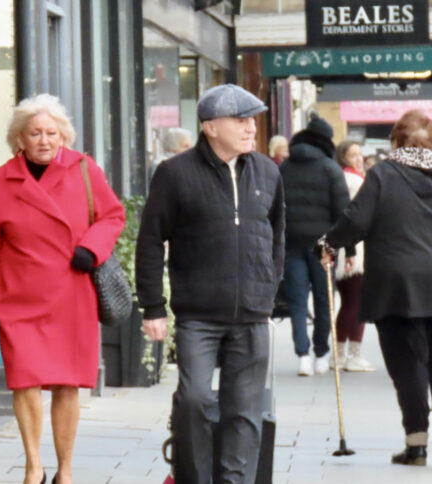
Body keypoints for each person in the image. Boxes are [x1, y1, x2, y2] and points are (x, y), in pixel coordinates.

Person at [0, 94, 125, 484]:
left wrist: (91, 248)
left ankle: (65, 470)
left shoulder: (85, 169)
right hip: (20, 296)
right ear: (19, 138)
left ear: (63, 136)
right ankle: (33, 466)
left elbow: (112, 215)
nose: (44, 140)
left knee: (68, 383)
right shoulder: (3, 179)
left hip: (72, 292)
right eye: (35, 133)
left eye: (52, 133)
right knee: (25, 379)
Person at [317, 110, 432, 466]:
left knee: (407, 362)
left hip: (395, 284)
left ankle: (416, 444)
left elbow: (356, 221)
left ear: (396, 140)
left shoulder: (383, 174)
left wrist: (328, 243)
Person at [136, 84, 284, 484]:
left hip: (252, 314)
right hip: (198, 315)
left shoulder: (268, 172)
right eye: (240, 121)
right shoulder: (175, 174)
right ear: (210, 127)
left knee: (245, 409)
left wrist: (268, 296)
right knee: (194, 400)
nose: (250, 128)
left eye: (252, 120)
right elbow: (151, 240)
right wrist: (152, 306)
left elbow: (276, 236)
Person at [280, 116, 351, 376]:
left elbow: (275, 209)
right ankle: (321, 353)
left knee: (297, 301)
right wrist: (349, 249)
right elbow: (344, 213)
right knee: (325, 300)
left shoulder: (284, 168)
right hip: (324, 246)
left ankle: (303, 356)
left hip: (291, 244)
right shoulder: (331, 169)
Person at [332, 139, 375, 372]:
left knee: (348, 302)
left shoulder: (341, 178)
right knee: (357, 302)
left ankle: (339, 354)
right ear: (343, 157)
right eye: (353, 155)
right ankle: (353, 354)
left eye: (360, 153)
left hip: (345, 245)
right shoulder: (355, 181)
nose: (359, 158)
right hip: (356, 248)